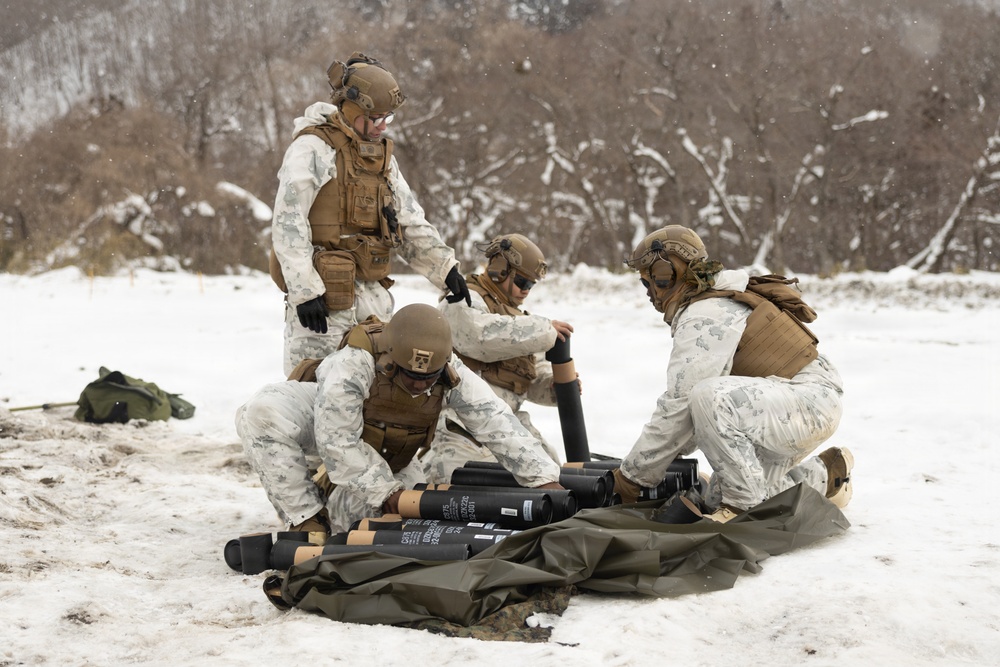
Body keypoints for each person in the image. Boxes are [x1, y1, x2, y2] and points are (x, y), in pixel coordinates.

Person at [236, 303, 563, 536]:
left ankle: (330, 496)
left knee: (412, 528)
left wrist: (544, 478)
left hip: (390, 455)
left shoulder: (451, 372)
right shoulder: (354, 363)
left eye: (429, 377)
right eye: (410, 376)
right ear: (391, 356)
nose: (420, 384)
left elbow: (496, 422)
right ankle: (306, 518)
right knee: (261, 412)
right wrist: (386, 492)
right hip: (328, 423)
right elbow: (337, 442)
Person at [611, 225, 852, 522]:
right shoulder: (715, 296)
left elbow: (682, 404)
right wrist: (662, 458)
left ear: (667, 272)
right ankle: (826, 475)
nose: (648, 293)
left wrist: (633, 477)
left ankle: (741, 509)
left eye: (649, 282)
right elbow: (692, 423)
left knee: (707, 398)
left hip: (807, 401)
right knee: (716, 497)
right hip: (795, 402)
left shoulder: (707, 314)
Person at [268, 52, 471, 375]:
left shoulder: (381, 158)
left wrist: (444, 269)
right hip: (324, 302)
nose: (381, 127)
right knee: (312, 389)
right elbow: (288, 223)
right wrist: (305, 291)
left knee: (374, 397)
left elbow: (406, 220)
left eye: (387, 119)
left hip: (372, 297)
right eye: (375, 118)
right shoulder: (312, 149)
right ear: (350, 109)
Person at [424, 234, 577, 484]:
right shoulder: (463, 299)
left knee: (554, 481)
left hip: (510, 428)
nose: (526, 290)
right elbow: (479, 337)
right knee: (459, 499)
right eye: (521, 281)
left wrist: (554, 387)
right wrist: (543, 330)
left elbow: (528, 376)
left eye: (531, 284)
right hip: (464, 433)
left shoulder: (519, 320)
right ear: (499, 271)